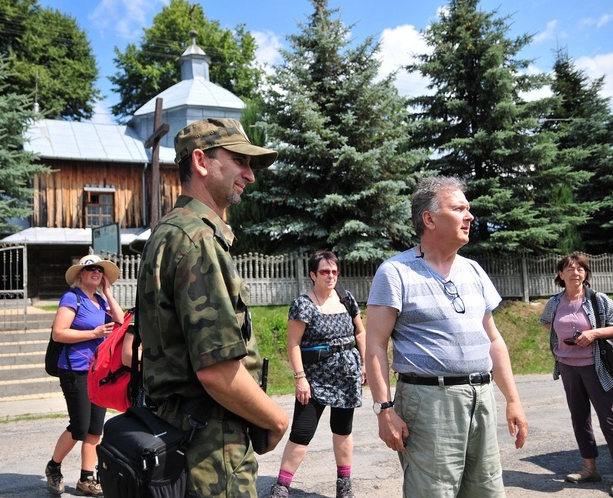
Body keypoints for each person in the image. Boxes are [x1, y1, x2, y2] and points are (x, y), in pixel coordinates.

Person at [135, 117, 289, 497]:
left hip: (177, 435)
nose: (250, 176)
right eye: (240, 161)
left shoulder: (168, 231)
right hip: (210, 449)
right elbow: (217, 372)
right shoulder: (197, 239)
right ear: (202, 162)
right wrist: (276, 418)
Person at [364, 176, 528, 498]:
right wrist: (384, 409)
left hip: (481, 398)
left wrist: (513, 399)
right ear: (429, 218)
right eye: (459, 209)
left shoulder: (474, 271)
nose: (470, 216)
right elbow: (375, 346)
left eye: (469, 209)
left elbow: (493, 339)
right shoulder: (395, 272)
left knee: (487, 492)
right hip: (429, 403)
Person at [269, 250, 366, 498]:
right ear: (313, 274)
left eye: (334, 271)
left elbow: (360, 333)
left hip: (346, 376)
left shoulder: (346, 298)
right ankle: (281, 486)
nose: (330, 275)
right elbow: (293, 343)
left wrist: (364, 364)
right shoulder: (304, 304)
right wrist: (300, 378)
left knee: (343, 429)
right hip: (314, 379)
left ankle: (344, 486)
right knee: (302, 432)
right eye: (324, 271)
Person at [539, 252, 613, 497]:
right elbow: (546, 322)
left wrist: (593, 334)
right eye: (569, 268)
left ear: (586, 273)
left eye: (580, 268)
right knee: (579, 418)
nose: (575, 272)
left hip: (597, 366)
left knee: (609, 420)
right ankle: (589, 468)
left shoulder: (598, 300)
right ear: (560, 274)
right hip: (568, 367)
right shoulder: (555, 302)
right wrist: (563, 336)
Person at [45, 255, 125, 496]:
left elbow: (121, 322)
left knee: (94, 429)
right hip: (74, 370)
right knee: (79, 427)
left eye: (100, 270)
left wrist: (109, 293)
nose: (96, 272)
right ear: (80, 274)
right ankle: (54, 466)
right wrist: (95, 333)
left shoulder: (100, 300)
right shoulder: (72, 298)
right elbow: (59, 333)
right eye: (90, 269)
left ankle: (86, 479)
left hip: (96, 372)